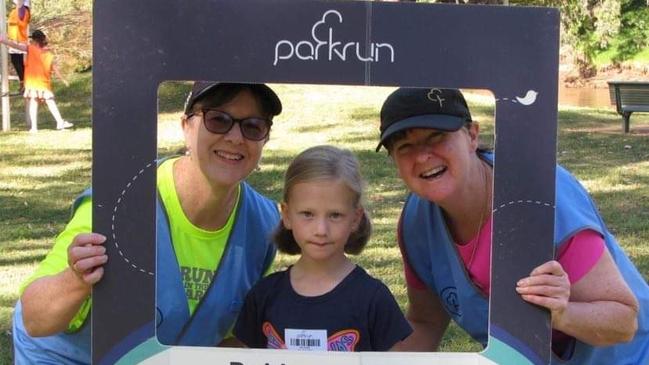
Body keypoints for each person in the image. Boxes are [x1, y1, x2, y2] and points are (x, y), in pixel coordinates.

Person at [12, 82, 283, 363]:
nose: (236, 137)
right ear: (186, 127)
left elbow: (230, 337)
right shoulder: (118, 202)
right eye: (218, 120)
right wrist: (76, 278)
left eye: (253, 126)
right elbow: (36, 321)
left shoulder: (264, 223)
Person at [375, 87, 649, 364]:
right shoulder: (416, 221)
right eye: (404, 147)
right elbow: (426, 323)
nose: (422, 157)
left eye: (436, 137)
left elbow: (623, 321)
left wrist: (562, 313)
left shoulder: (539, 195)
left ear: (472, 135)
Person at [234, 145, 412, 352]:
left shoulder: (374, 299)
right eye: (308, 214)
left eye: (335, 215)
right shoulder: (263, 296)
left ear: (355, 218)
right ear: (287, 214)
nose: (321, 230)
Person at [0, 29, 72, 132]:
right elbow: (54, 68)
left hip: (31, 82)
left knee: (33, 103)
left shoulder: (30, 49)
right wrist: (63, 79)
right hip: (43, 82)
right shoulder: (49, 54)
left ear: (34, 40)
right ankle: (60, 122)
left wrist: (3, 40)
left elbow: (16, 46)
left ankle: (34, 127)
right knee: (50, 102)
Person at [6, 0, 30, 92]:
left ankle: (24, 83)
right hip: (15, 40)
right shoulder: (16, 10)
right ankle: (24, 83)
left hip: (18, 40)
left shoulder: (22, 10)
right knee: (17, 63)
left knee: (18, 63)